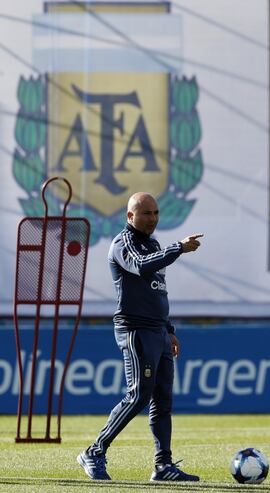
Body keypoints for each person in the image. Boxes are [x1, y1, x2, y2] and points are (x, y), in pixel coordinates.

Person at [77, 192, 203, 482]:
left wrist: (169, 330)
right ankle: (94, 451)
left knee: (163, 400)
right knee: (138, 396)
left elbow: (158, 290)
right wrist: (178, 248)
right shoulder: (123, 243)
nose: (153, 219)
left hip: (157, 331)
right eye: (146, 213)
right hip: (136, 330)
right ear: (130, 216)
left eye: (156, 213)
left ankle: (163, 466)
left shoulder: (154, 244)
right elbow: (141, 265)